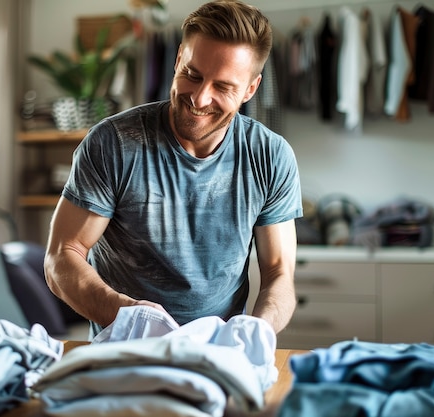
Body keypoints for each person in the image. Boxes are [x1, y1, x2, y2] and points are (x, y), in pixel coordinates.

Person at [44, 0, 303, 339]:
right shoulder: (113, 143)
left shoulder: (270, 156)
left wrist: (258, 330)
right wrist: (123, 313)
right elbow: (62, 256)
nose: (199, 98)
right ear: (179, 57)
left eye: (223, 87)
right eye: (192, 75)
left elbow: (278, 272)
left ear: (250, 89)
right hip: (124, 350)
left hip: (219, 356)